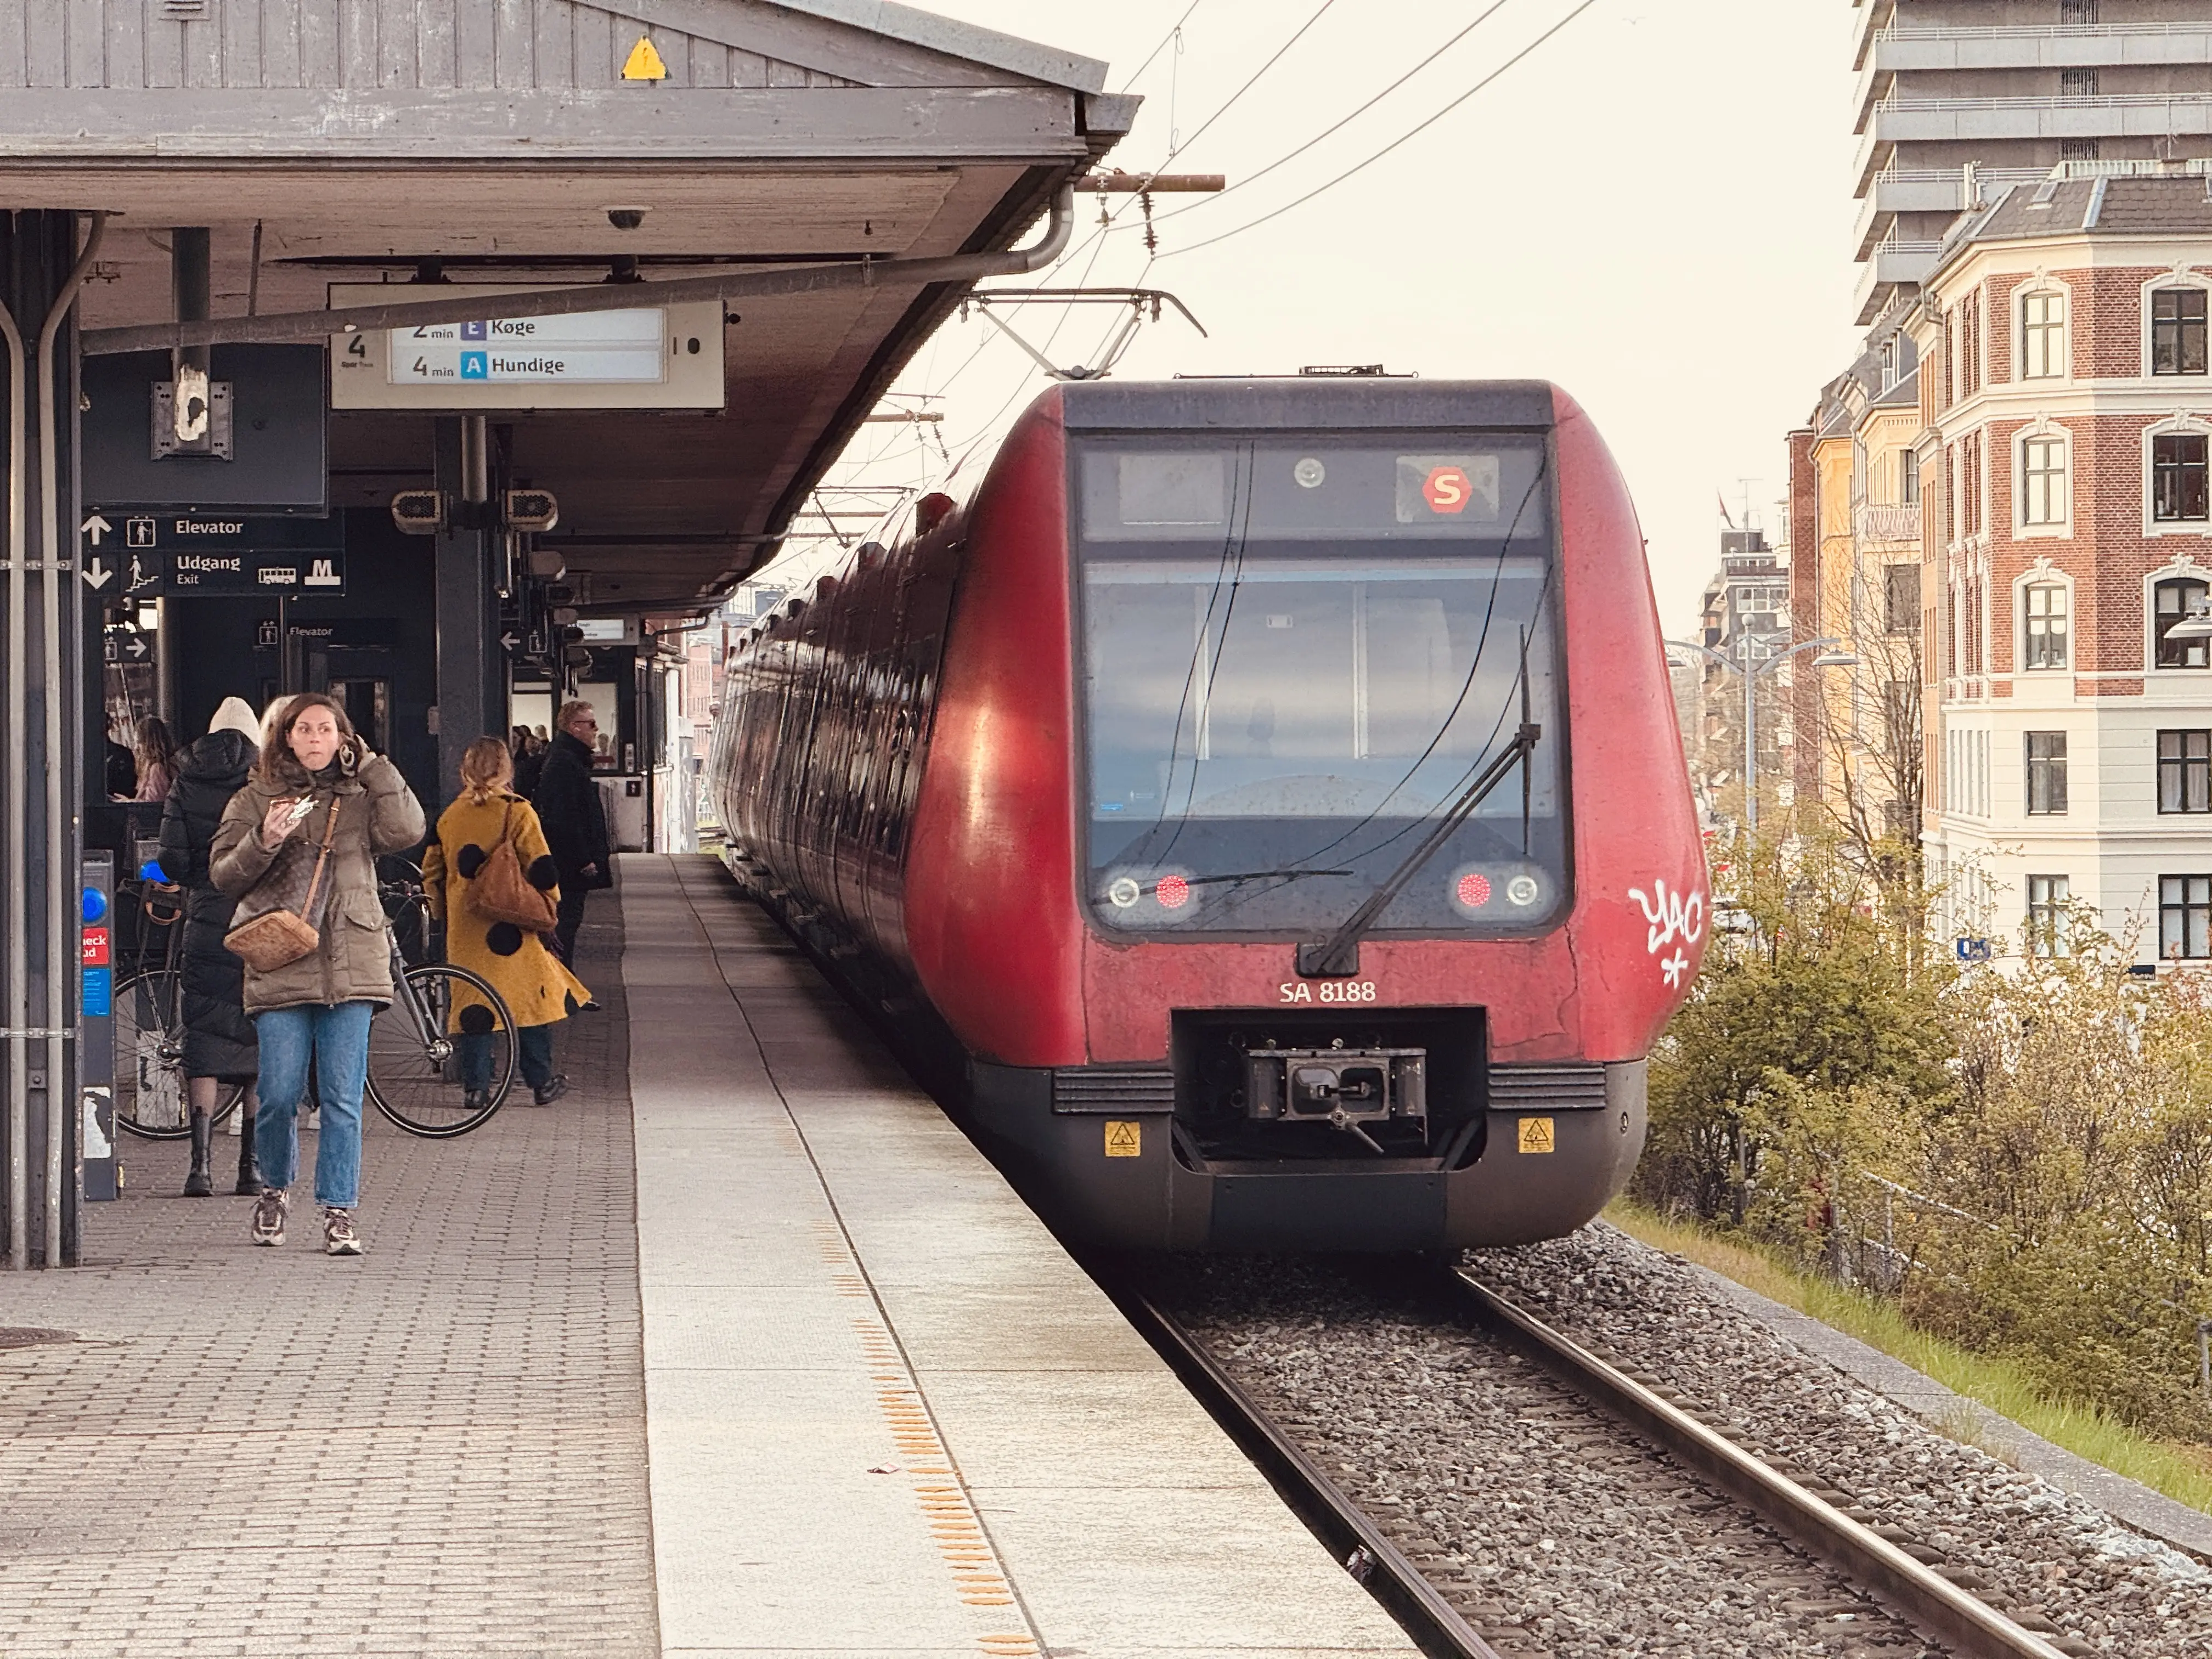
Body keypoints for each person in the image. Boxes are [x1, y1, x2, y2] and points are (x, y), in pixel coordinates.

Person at [212, 693, 426, 1256]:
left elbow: (408, 830)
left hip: (351, 961)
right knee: (280, 1094)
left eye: (326, 730)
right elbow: (224, 875)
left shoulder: (360, 796)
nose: (314, 739)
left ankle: (339, 1211)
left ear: (342, 738)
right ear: (284, 736)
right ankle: (275, 1191)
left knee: (342, 1098)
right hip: (281, 962)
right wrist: (267, 839)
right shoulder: (255, 797)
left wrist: (375, 767)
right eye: (303, 729)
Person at [422, 737, 588, 1109]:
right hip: (512, 923)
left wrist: (441, 912)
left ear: (465, 770)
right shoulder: (518, 811)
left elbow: (431, 872)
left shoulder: (450, 817)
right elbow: (541, 866)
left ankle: (476, 1089)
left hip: (467, 927)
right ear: (505, 769)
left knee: (476, 1006)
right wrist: (551, 906)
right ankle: (540, 1082)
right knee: (528, 1003)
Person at [156, 696, 264, 1198]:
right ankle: (251, 1166)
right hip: (257, 919)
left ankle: (199, 1168)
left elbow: (172, 863)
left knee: (203, 1038)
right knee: (257, 1040)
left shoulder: (185, 781)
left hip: (204, 919)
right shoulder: (263, 783)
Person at [533, 700, 612, 980]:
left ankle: (566, 985)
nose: (596, 729)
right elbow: (566, 815)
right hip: (570, 863)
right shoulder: (566, 761)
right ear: (573, 727)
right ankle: (564, 987)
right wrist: (584, 858)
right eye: (590, 724)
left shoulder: (567, 758)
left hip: (568, 859)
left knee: (567, 923)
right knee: (566, 923)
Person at [131, 716, 177, 804]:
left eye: (139, 742)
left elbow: (153, 805)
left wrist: (129, 802)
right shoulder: (171, 764)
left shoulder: (157, 768)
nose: (136, 747)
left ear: (150, 743)